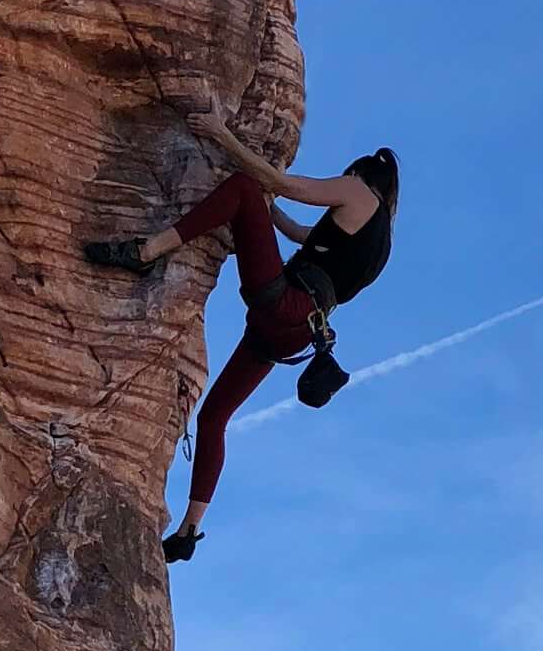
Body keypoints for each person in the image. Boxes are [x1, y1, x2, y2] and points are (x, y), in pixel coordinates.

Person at [84, 109, 396, 562]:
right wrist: (268, 211)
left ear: (361, 174)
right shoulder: (378, 240)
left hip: (286, 303)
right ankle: (190, 530)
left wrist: (222, 137)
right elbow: (300, 232)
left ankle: (145, 251)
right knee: (214, 417)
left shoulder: (356, 190)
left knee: (242, 189)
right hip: (292, 333)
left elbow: (292, 186)